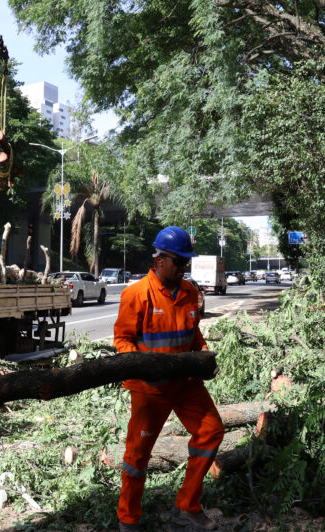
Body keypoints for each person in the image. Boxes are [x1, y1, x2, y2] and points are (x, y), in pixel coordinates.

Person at [113, 226, 224, 532]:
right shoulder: (136, 294)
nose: (183, 268)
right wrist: (144, 366)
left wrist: (203, 355)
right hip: (150, 389)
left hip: (186, 383)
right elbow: (123, 341)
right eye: (179, 262)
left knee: (212, 431)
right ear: (160, 259)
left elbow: (194, 333)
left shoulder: (189, 293)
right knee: (137, 457)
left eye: (186, 262)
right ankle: (128, 519)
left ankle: (187, 506)